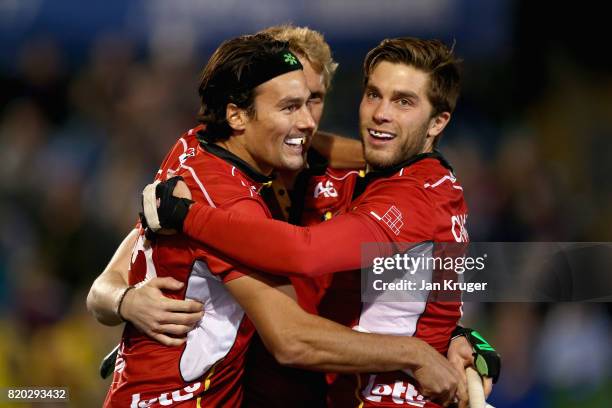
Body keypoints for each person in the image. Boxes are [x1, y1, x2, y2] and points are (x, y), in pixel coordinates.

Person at [100, 33, 466, 407]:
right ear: (238, 113)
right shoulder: (221, 187)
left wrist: (459, 337)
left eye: (314, 100)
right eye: (290, 105)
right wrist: (121, 299)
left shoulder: (356, 183)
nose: (307, 123)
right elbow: (115, 272)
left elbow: (440, 267)